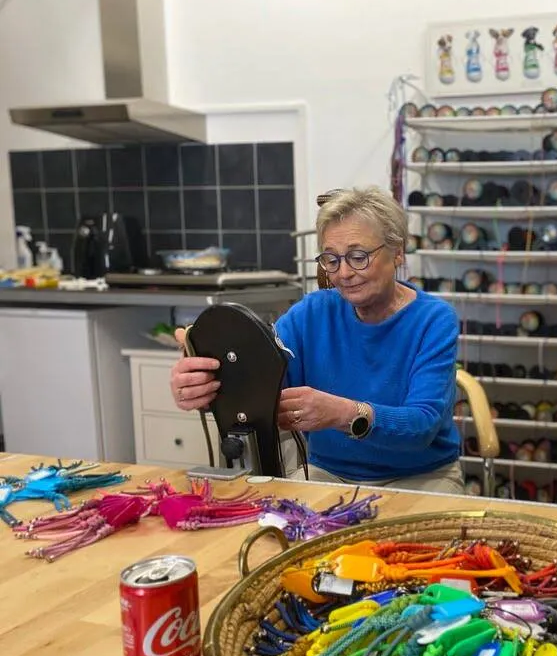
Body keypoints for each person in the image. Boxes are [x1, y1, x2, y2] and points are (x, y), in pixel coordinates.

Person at [168, 186, 463, 493]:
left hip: (421, 477)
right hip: (329, 474)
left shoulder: (433, 320)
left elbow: (422, 425)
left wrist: (342, 413)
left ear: (397, 251)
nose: (344, 273)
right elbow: (257, 384)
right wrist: (203, 387)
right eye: (331, 260)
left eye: (358, 256)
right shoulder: (311, 314)